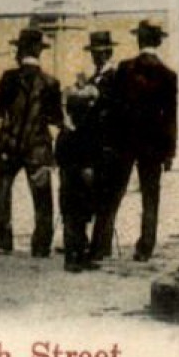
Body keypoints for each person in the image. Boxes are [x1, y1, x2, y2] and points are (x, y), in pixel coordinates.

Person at [93, 19, 179, 263]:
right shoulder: (168, 75)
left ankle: (101, 245)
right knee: (151, 196)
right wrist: (170, 151)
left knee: (113, 193)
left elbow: (114, 108)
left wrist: (110, 140)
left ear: (139, 40)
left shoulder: (125, 68)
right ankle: (145, 248)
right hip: (153, 146)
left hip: (124, 142)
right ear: (158, 41)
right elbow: (170, 117)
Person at [0, 27, 64, 258]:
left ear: (20, 52)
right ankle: (41, 244)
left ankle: (4, 239)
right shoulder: (51, 82)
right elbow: (56, 118)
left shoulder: (9, 78)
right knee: (42, 195)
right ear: (39, 52)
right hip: (38, 147)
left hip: (10, 145)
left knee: (4, 191)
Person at [59, 32, 115, 272]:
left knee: (96, 200)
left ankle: (94, 248)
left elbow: (109, 112)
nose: (97, 56)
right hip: (83, 147)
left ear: (109, 53)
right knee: (78, 199)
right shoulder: (94, 79)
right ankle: (79, 250)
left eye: (101, 52)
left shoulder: (113, 78)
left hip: (99, 148)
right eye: (94, 52)